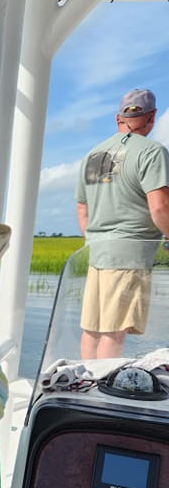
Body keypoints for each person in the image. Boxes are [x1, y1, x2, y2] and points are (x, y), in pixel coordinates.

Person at [75, 87, 169, 359]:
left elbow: (83, 208)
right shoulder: (152, 153)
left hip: (97, 253)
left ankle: (85, 383)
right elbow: (160, 206)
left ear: (118, 119)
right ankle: (101, 395)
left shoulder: (94, 156)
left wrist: (93, 240)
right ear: (151, 118)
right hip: (130, 255)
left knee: (92, 329)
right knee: (114, 332)